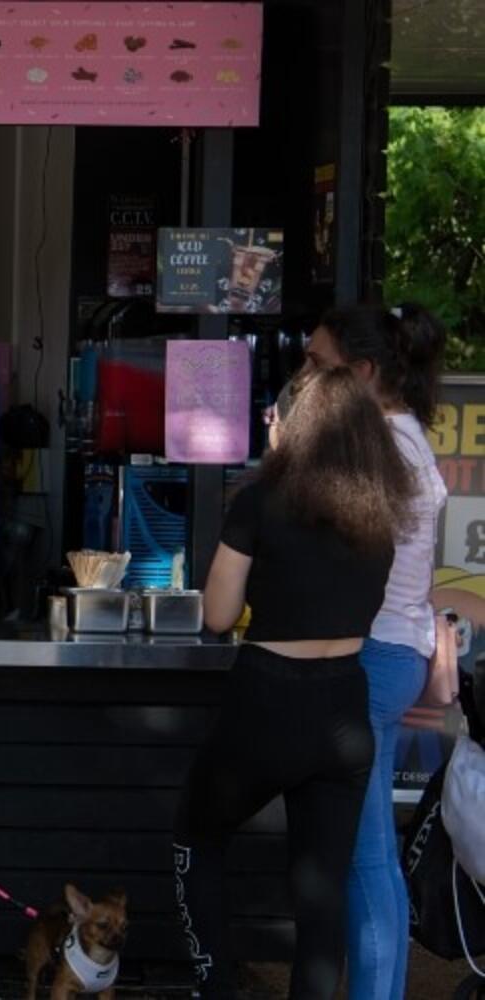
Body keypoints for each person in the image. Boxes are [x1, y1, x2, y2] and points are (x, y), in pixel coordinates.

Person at [175, 367, 414, 1000]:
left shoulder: (260, 501)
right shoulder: (378, 514)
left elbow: (219, 614)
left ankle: (214, 987)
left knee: (197, 837)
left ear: (296, 425)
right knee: (321, 891)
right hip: (345, 707)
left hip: (268, 700)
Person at [304, 303, 454, 1000]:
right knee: (375, 857)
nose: (306, 377)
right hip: (395, 655)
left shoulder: (381, 447)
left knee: (365, 859)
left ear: (363, 372)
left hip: (374, 658)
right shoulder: (404, 437)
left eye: (318, 364)